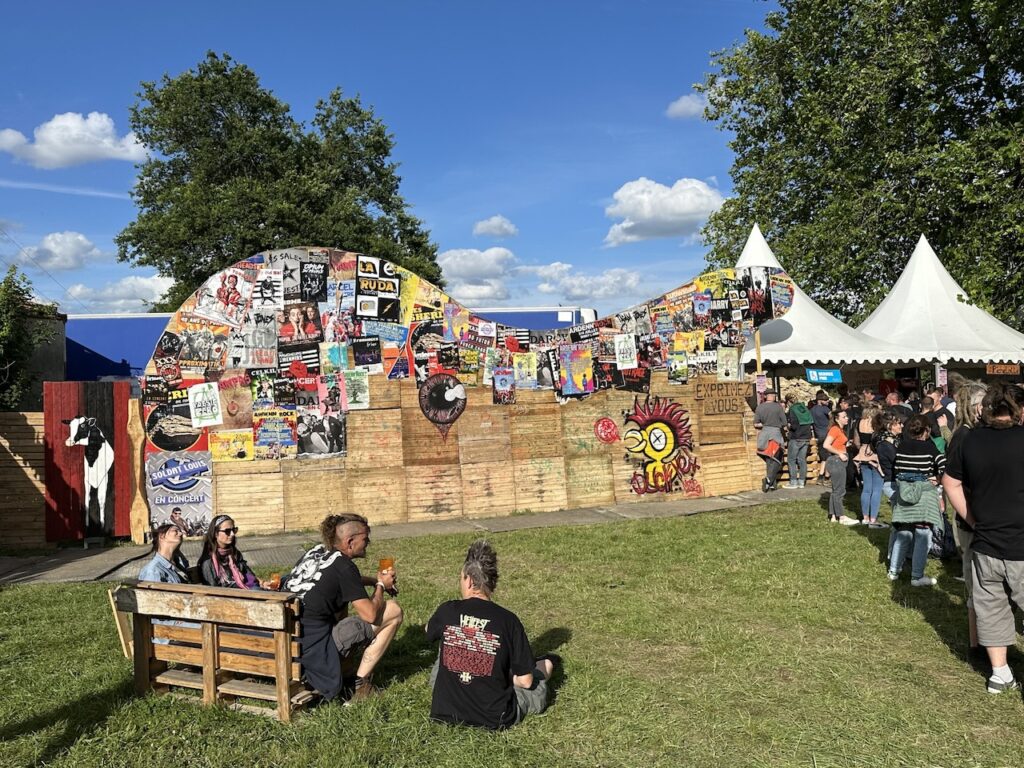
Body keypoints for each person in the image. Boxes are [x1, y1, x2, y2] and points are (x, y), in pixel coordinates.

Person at [427, 539, 559, 730]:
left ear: (470, 580)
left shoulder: (448, 610)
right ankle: (547, 661)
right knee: (544, 667)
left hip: (447, 708)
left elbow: (429, 632)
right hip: (494, 716)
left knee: (447, 635)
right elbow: (526, 681)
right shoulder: (508, 621)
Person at [944, 382, 1024, 693]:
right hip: (1018, 542)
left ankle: (999, 673)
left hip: (985, 541)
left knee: (991, 607)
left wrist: (974, 519)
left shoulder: (969, 439)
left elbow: (949, 484)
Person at [282, 513, 402, 703]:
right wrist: (380, 585)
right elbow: (370, 614)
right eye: (365, 538)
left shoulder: (315, 553)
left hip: (287, 644)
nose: (368, 542)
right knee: (394, 610)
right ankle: (359, 684)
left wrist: (371, 581)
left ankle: (346, 669)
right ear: (350, 542)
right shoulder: (344, 566)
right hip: (313, 656)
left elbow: (338, 580)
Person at [943, 380, 987, 653]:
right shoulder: (964, 437)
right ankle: (977, 644)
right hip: (971, 520)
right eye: (983, 404)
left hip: (978, 518)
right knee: (975, 581)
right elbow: (955, 482)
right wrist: (971, 518)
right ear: (972, 407)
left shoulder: (971, 434)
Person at [887, 415, 946, 586]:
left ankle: (894, 571)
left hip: (904, 493)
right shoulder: (929, 446)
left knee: (903, 532)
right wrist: (937, 478)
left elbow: (896, 468)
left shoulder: (901, 445)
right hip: (924, 494)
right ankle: (917, 576)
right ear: (926, 430)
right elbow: (943, 463)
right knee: (922, 534)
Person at [198, 515, 267, 589]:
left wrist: (261, 583)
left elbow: (247, 574)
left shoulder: (234, 554)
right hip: (230, 597)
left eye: (233, 530)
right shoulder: (207, 561)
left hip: (245, 590)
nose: (232, 534)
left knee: (279, 584)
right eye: (227, 531)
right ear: (215, 533)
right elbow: (212, 590)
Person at [822, 410, 858, 525]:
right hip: (836, 461)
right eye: (844, 416)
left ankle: (833, 516)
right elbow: (826, 445)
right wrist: (840, 453)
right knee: (840, 491)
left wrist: (845, 445)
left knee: (835, 490)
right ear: (837, 419)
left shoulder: (840, 430)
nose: (847, 418)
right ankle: (841, 517)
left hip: (837, 461)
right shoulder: (835, 429)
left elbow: (836, 443)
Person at [754, 388, 787, 492]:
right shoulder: (778, 407)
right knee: (778, 459)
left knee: (769, 460)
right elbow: (784, 423)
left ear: (765, 396)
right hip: (776, 435)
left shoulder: (760, 407)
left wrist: (764, 424)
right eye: (774, 395)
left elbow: (755, 424)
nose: (774, 396)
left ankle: (772, 484)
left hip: (764, 435)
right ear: (771, 396)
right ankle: (769, 480)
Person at [784, 392, 813, 488]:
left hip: (796, 437)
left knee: (791, 460)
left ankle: (793, 482)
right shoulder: (804, 408)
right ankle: (801, 482)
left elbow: (794, 425)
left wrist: (788, 427)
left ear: (788, 402)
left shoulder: (792, 410)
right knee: (802, 460)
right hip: (807, 437)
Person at [810, 390, 832, 485]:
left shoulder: (811, 410)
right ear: (820, 400)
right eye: (825, 400)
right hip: (828, 435)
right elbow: (832, 417)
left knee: (824, 458)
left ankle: (821, 477)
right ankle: (827, 478)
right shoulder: (825, 409)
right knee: (829, 458)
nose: (827, 402)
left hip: (819, 435)